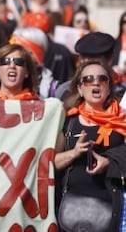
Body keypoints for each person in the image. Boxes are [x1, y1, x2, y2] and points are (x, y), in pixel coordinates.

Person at [54, 60, 126, 231]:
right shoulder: (67, 121)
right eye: (88, 79)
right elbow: (52, 163)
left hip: (111, 209)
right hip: (70, 207)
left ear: (109, 87)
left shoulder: (122, 121)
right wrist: (75, 152)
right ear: (80, 88)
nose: (95, 82)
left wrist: (108, 162)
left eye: (102, 79)